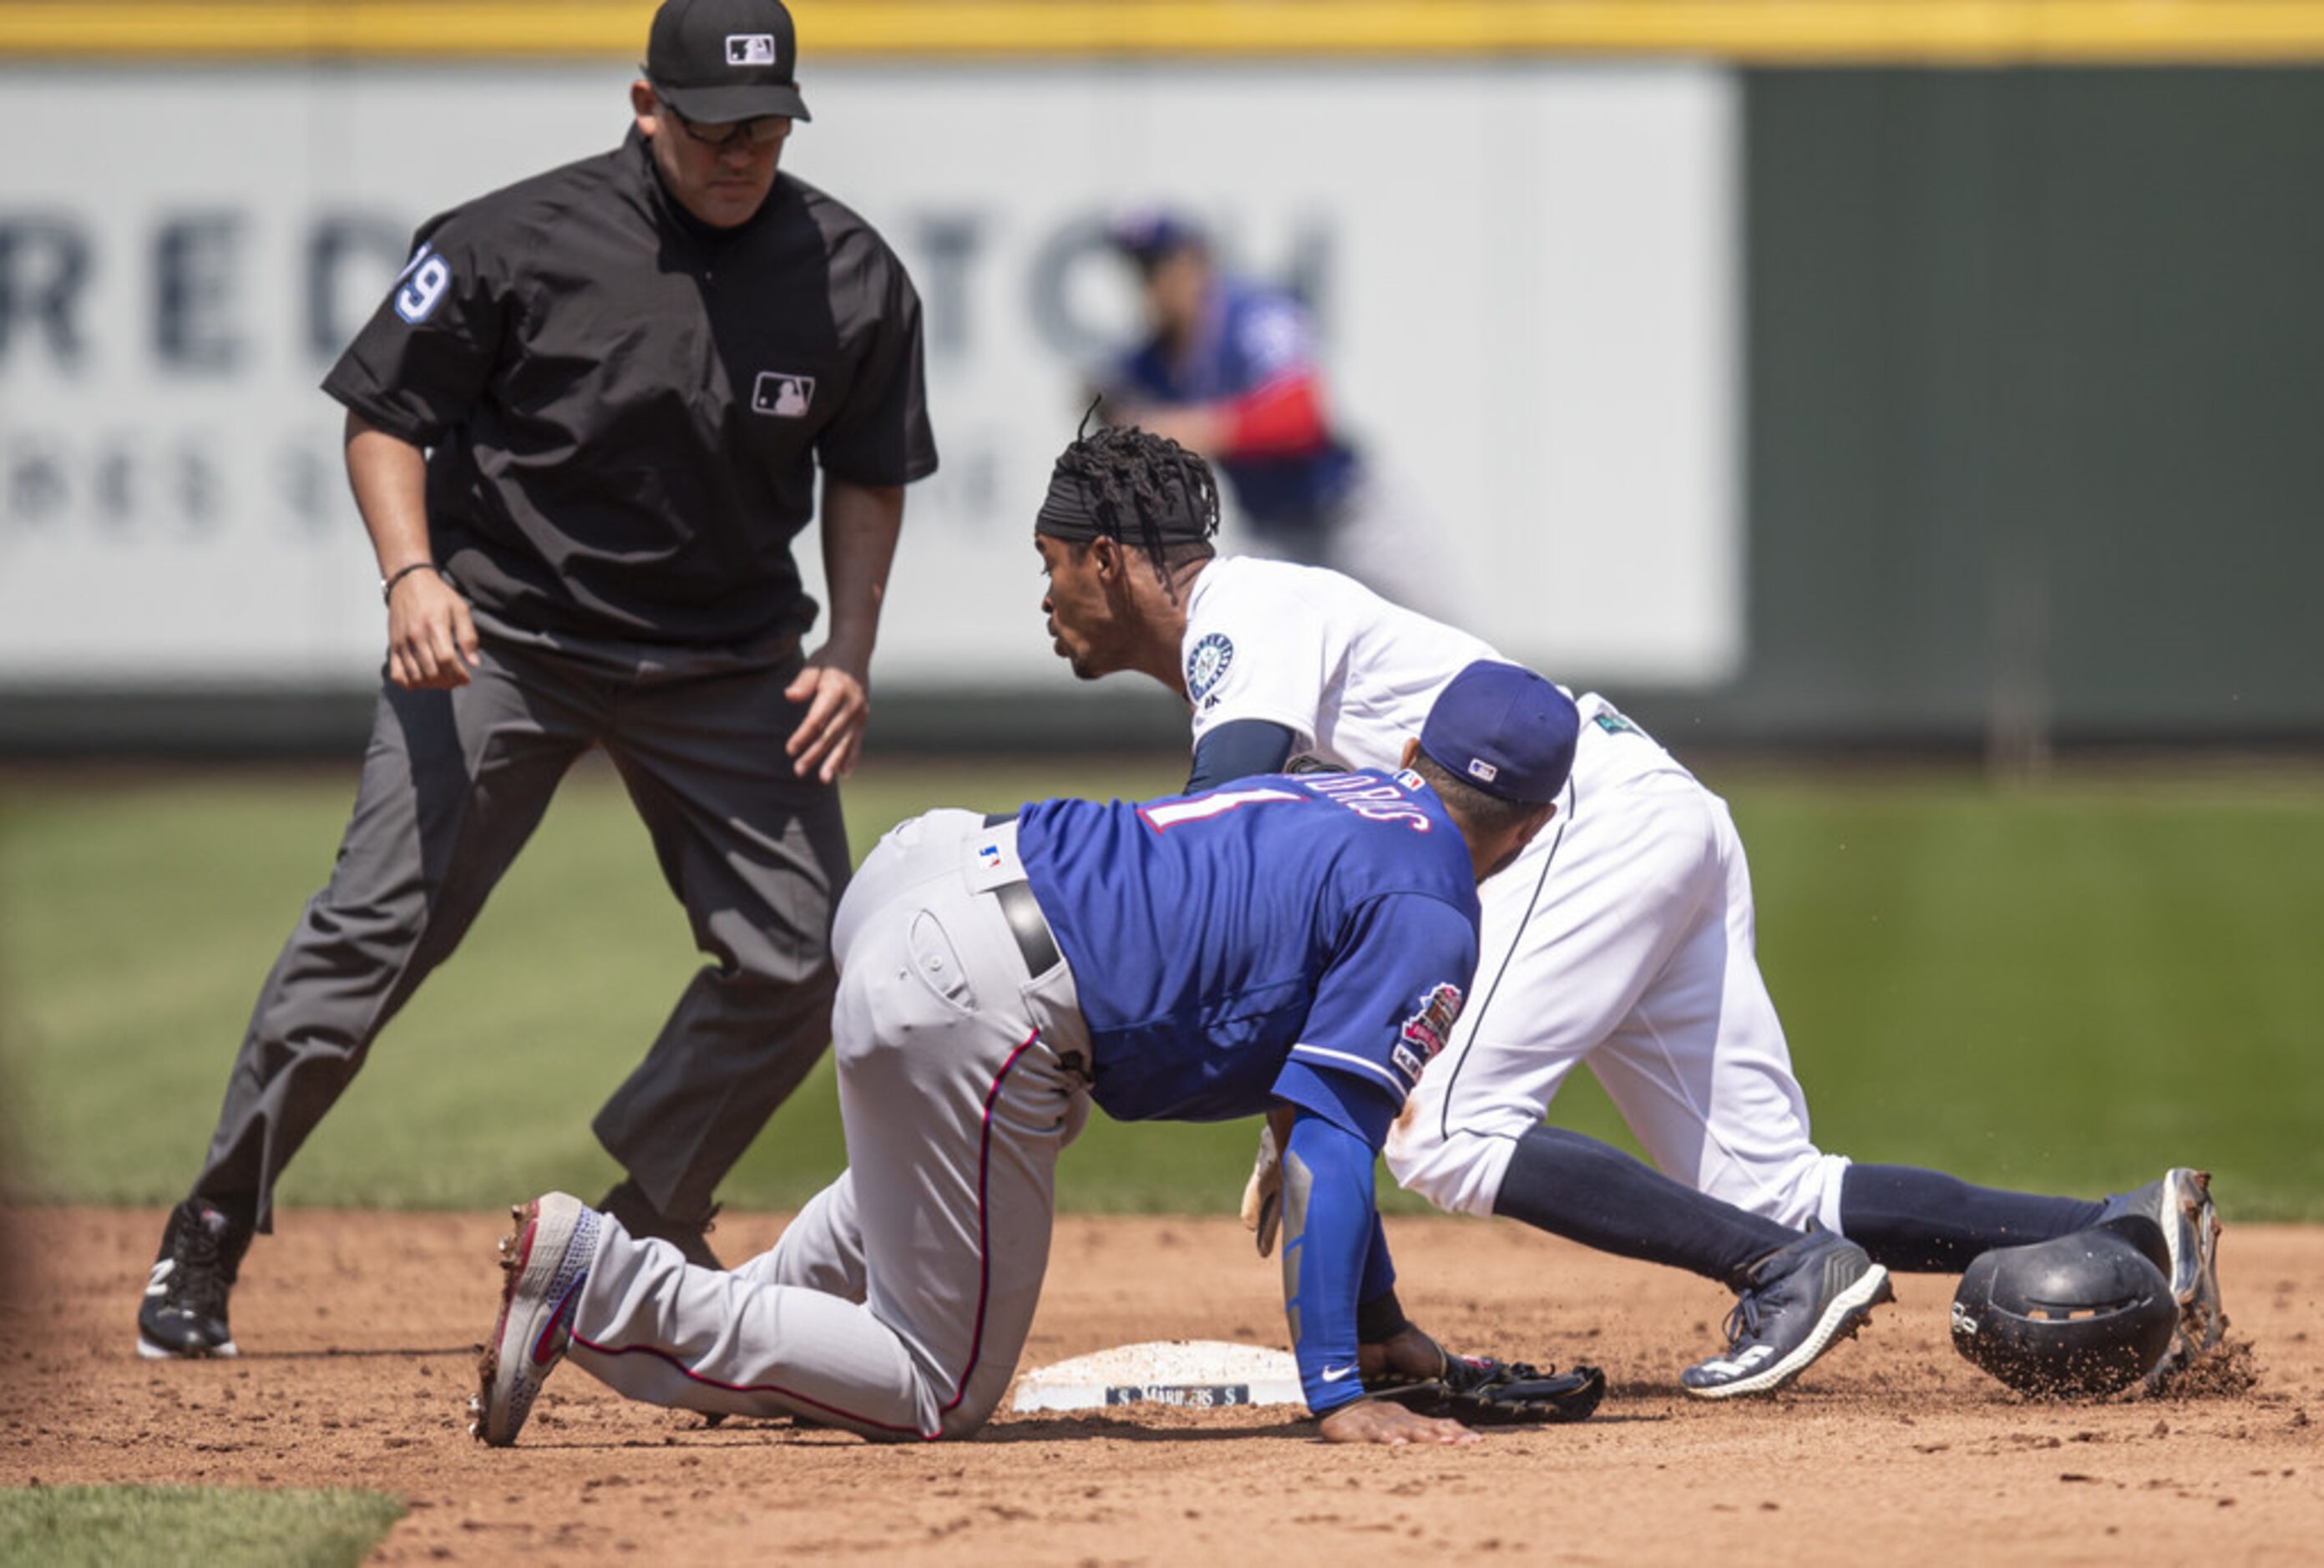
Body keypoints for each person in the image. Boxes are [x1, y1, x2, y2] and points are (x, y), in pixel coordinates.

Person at [1031, 422, 2228, 1394]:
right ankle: (2125, 1229)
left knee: (1441, 1123)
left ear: (1105, 557)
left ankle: (1784, 1277)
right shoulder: (1269, 613)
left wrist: (1293, 1082)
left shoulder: (1238, 613)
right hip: (1630, 808)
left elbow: (1216, 847)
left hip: (1559, 820)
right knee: (1768, 1179)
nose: (1043, 597)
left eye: (1047, 559)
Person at [135, 0, 937, 1360]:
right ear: (643, 106)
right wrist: (411, 577)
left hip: (729, 657)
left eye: (766, 126)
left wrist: (848, 652)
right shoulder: (507, 240)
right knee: (376, 932)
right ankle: (211, 1222)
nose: (741, 151)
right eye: (711, 125)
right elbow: (385, 413)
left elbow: (867, 469)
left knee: (805, 958)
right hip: (504, 636)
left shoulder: (847, 272)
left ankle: (631, 1226)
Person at [473, 661, 1590, 1447]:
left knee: (928, 1199)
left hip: (933, 870)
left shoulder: (1336, 789)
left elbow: (1314, 1112)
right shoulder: (1431, 902)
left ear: (1409, 752)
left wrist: (1377, 1321)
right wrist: (1338, 1387)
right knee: (934, 1385)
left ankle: (716, 1308)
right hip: (983, 996)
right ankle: (601, 1278)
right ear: (1535, 825)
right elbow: (1327, 1150)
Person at [1096, 210, 1446, 611]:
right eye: (1139, 270)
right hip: (1271, 534)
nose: (1151, 282)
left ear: (1196, 260)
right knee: (1256, 656)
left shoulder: (1249, 315)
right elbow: (1112, 412)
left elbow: (1302, 415)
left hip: (1350, 515)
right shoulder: (1149, 361)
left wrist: (1204, 430)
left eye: (1158, 263)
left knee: (1453, 647)